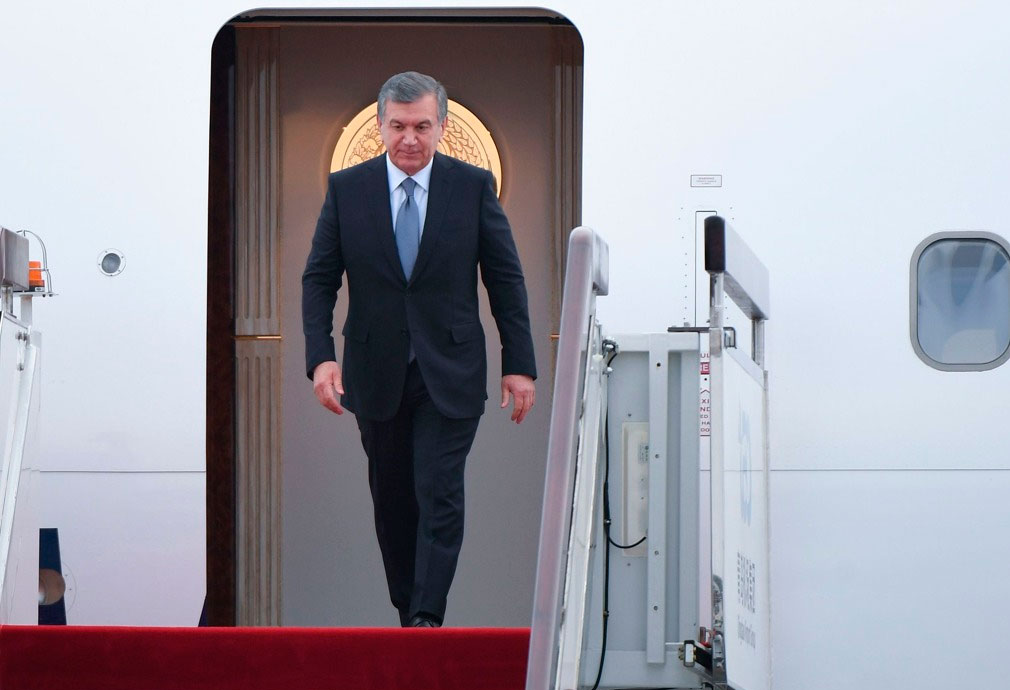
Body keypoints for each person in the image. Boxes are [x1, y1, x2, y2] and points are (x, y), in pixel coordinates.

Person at [302, 71, 537, 628]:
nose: (410, 138)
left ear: (443, 126)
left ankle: (427, 618)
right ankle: (408, 611)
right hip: (375, 370)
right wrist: (321, 357)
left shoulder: (473, 187)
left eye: (422, 127)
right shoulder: (347, 189)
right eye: (399, 126)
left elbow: (505, 279)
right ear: (380, 125)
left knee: (439, 491)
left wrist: (519, 365)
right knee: (392, 500)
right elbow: (319, 278)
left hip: (449, 370)